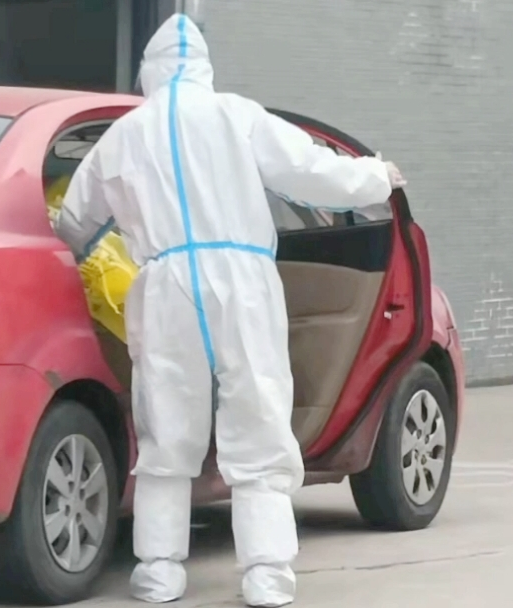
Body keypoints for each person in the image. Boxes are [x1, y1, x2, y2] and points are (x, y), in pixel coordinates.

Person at [53, 13, 406, 608]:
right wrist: (375, 176)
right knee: (258, 416)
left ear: (149, 72)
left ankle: (158, 571)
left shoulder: (123, 136)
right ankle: (267, 574)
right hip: (243, 281)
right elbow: (310, 171)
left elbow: (75, 222)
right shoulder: (236, 115)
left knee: (166, 426)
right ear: (203, 68)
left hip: (165, 285)